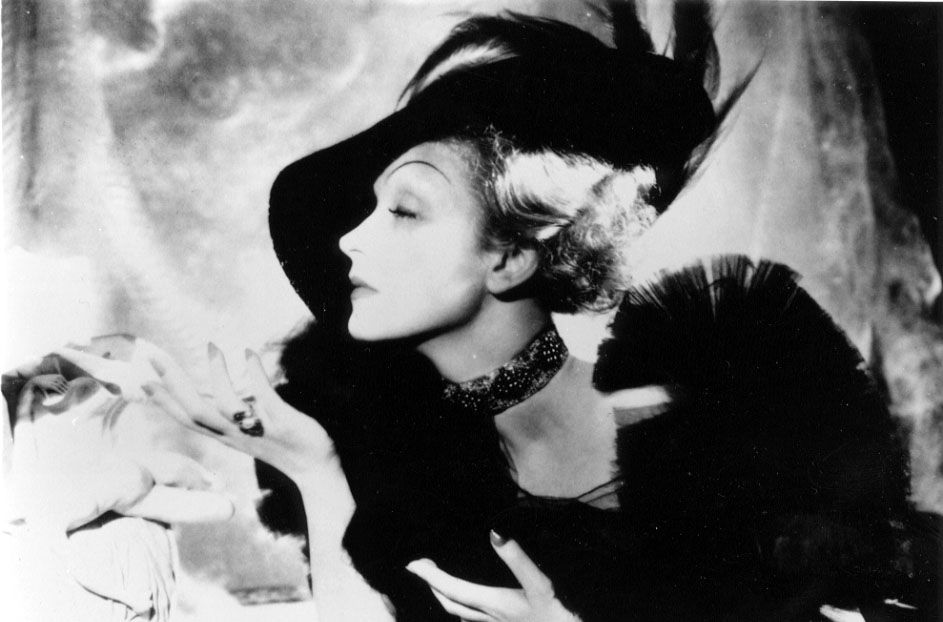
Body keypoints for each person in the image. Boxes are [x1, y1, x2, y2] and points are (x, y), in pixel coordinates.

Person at [4, 7, 923, 622]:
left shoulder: (723, 429)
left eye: (403, 211)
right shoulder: (398, 465)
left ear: (509, 258)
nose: (351, 240)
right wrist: (313, 471)